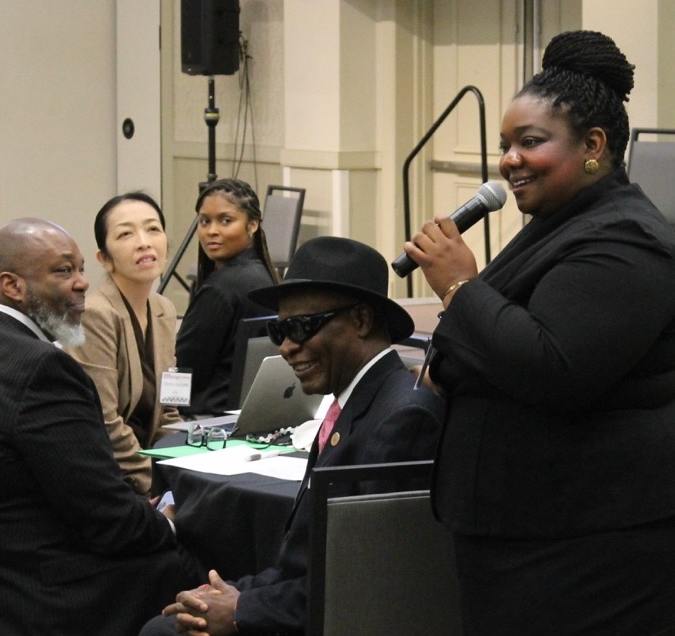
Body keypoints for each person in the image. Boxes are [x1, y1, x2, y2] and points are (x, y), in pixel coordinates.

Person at [405, 30, 675, 635]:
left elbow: (555, 367)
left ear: (594, 145)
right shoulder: (560, 223)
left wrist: (459, 286)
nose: (509, 160)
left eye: (530, 142)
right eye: (506, 145)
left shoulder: (626, 239)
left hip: (589, 551)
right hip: (525, 533)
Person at [139, 236, 444, 635]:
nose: (285, 348)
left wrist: (241, 609)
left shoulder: (403, 418)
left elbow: (365, 584)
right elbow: (302, 568)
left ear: (361, 320)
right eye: (279, 330)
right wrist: (226, 597)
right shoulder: (356, 402)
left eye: (300, 327)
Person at [0, 218, 200, 636]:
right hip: (46, 591)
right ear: (12, 286)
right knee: (205, 567)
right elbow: (108, 521)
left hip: (5, 568)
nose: (82, 283)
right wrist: (168, 521)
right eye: (64, 271)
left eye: (82, 269)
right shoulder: (41, 368)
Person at [64, 192, 183, 496]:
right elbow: (104, 421)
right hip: (108, 478)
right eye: (126, 234)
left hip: (150, 472)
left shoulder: (164, 309)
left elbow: (169, 409)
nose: (144, 242)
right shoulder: (94, 314)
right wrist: (157, 483)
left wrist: (184, 468)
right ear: (104, 258)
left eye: (153, 229)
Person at [176, 178, 279, 418]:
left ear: (252, 225)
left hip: (206, 419)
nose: (212, 231)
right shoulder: (265, 276)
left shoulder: (219, 290)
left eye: (226, 221)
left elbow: (184, 372)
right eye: (205, 221)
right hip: (248, 413)